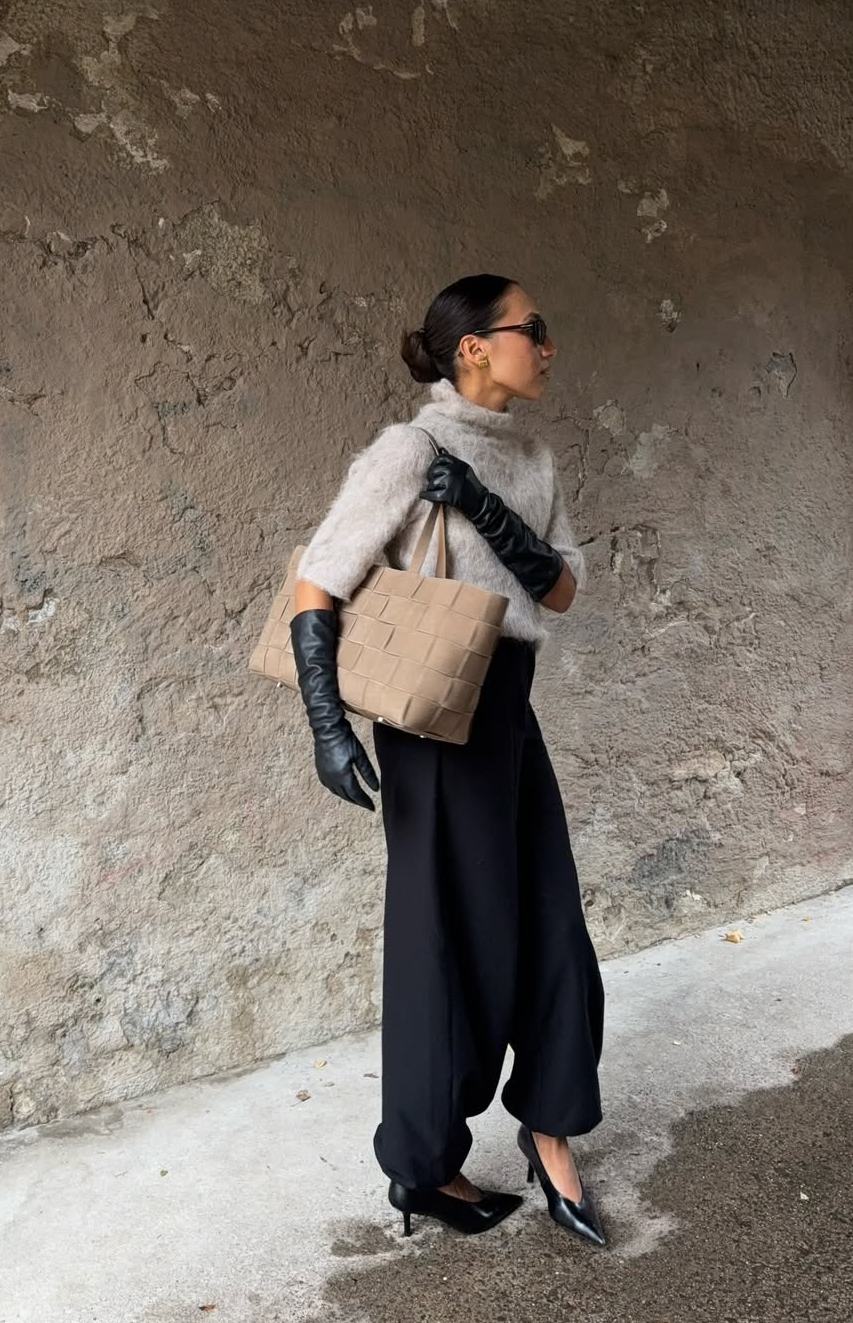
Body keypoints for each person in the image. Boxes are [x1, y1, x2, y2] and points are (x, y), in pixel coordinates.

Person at [289, 274, 606, 1247]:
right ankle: (424, 1167)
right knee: (440, 947)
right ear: (474, 347)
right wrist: (328, 728)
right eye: (532, 330)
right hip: (429, 722)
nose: (548, 347)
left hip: (509, 710)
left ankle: (551, 1127)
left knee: (551, 922)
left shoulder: (534, 457)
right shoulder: (406, 449)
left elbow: (558, 591)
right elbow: (317, 580)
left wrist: (480, 503)